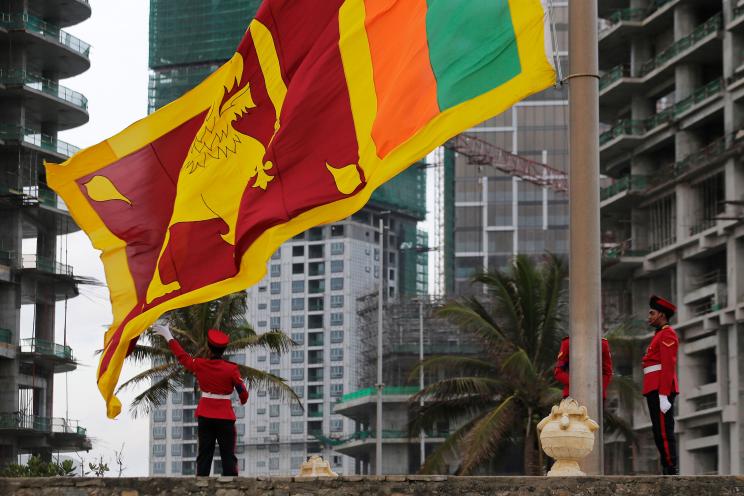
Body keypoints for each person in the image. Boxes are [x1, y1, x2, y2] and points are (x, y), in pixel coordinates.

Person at [153, 324, 249, 476]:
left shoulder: (200, 364)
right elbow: (243, 393)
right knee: (228, 457)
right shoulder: (231, 369)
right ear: (224, 350)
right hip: (225, 416)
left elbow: (183, 357)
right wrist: (242, 400)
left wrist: (168, 336)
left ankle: (201, 485)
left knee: (204, 454)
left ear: (209, 349)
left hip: (206, 415)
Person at [642, 295, 679, 475]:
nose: (649, 316)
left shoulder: (667, 334)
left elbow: (668, 365)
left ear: (662, 315)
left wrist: (664, 394)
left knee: (664, 430)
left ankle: (671, 466)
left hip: (660, 388)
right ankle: (667, 465)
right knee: (658, 430)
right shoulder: (659, 335)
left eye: (652, 313)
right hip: (653, 387)